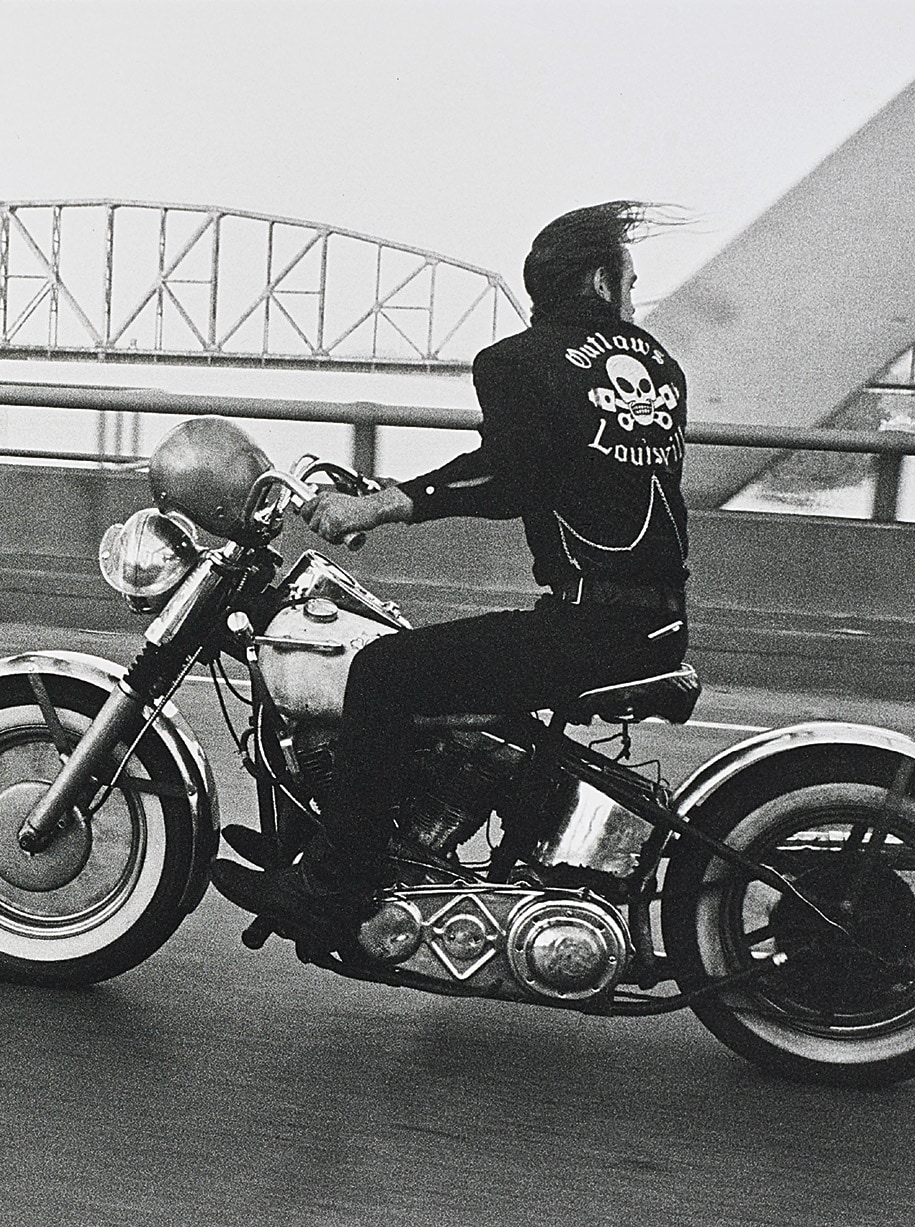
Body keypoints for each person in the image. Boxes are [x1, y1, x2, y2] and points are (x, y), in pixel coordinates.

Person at [214, 201, 692, 933]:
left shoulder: (522, 362)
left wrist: (377, 508)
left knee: (382, 672)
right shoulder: (658, 367)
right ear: (600, 282)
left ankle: (335, 888)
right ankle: (326, 842)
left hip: (593, 624)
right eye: (630, 279)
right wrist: (382, 497)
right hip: (648, 618)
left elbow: (510, 477)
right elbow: (568, 472)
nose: (633, 296)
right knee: (430, 674)